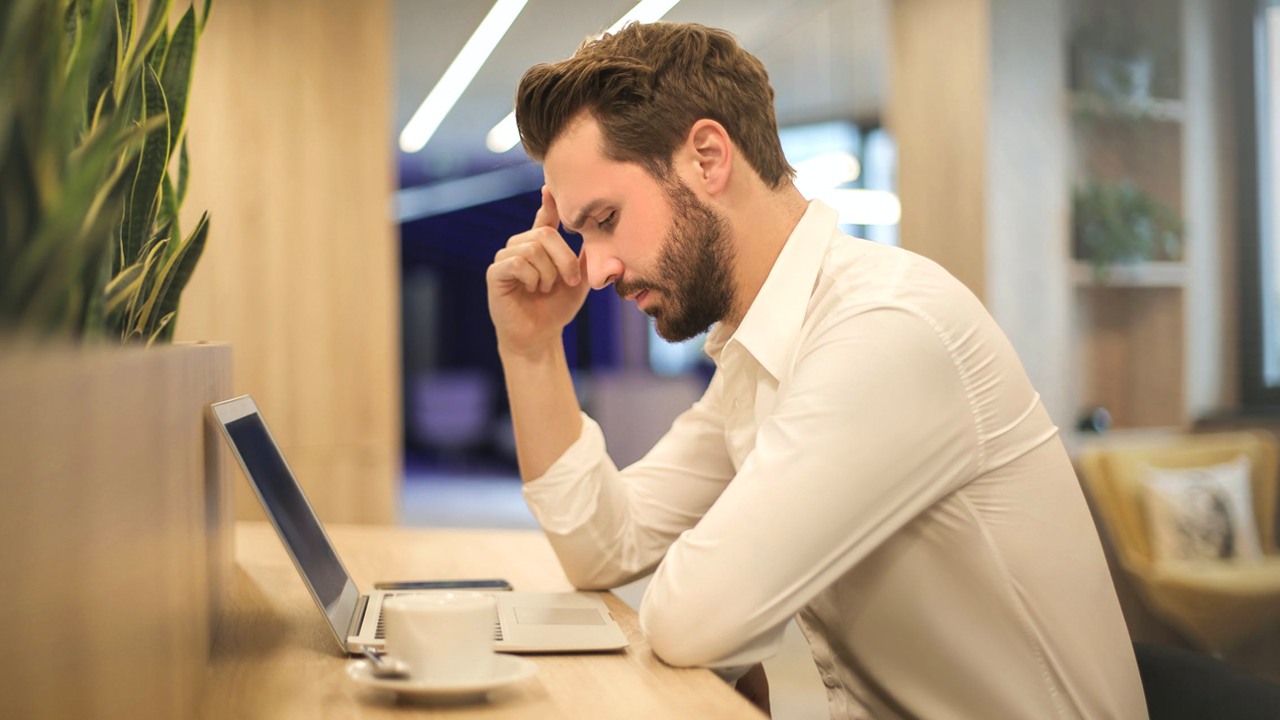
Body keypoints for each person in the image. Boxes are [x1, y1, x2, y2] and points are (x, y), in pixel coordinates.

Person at [485, 21, 1148, 720]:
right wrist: (529, 349)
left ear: (707, 158)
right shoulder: (761, 350)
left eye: (606, 219)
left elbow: (693, 618)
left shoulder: (884, 330)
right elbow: (603, 546)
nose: (593, 271)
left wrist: (727, 641)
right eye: (580, 237)